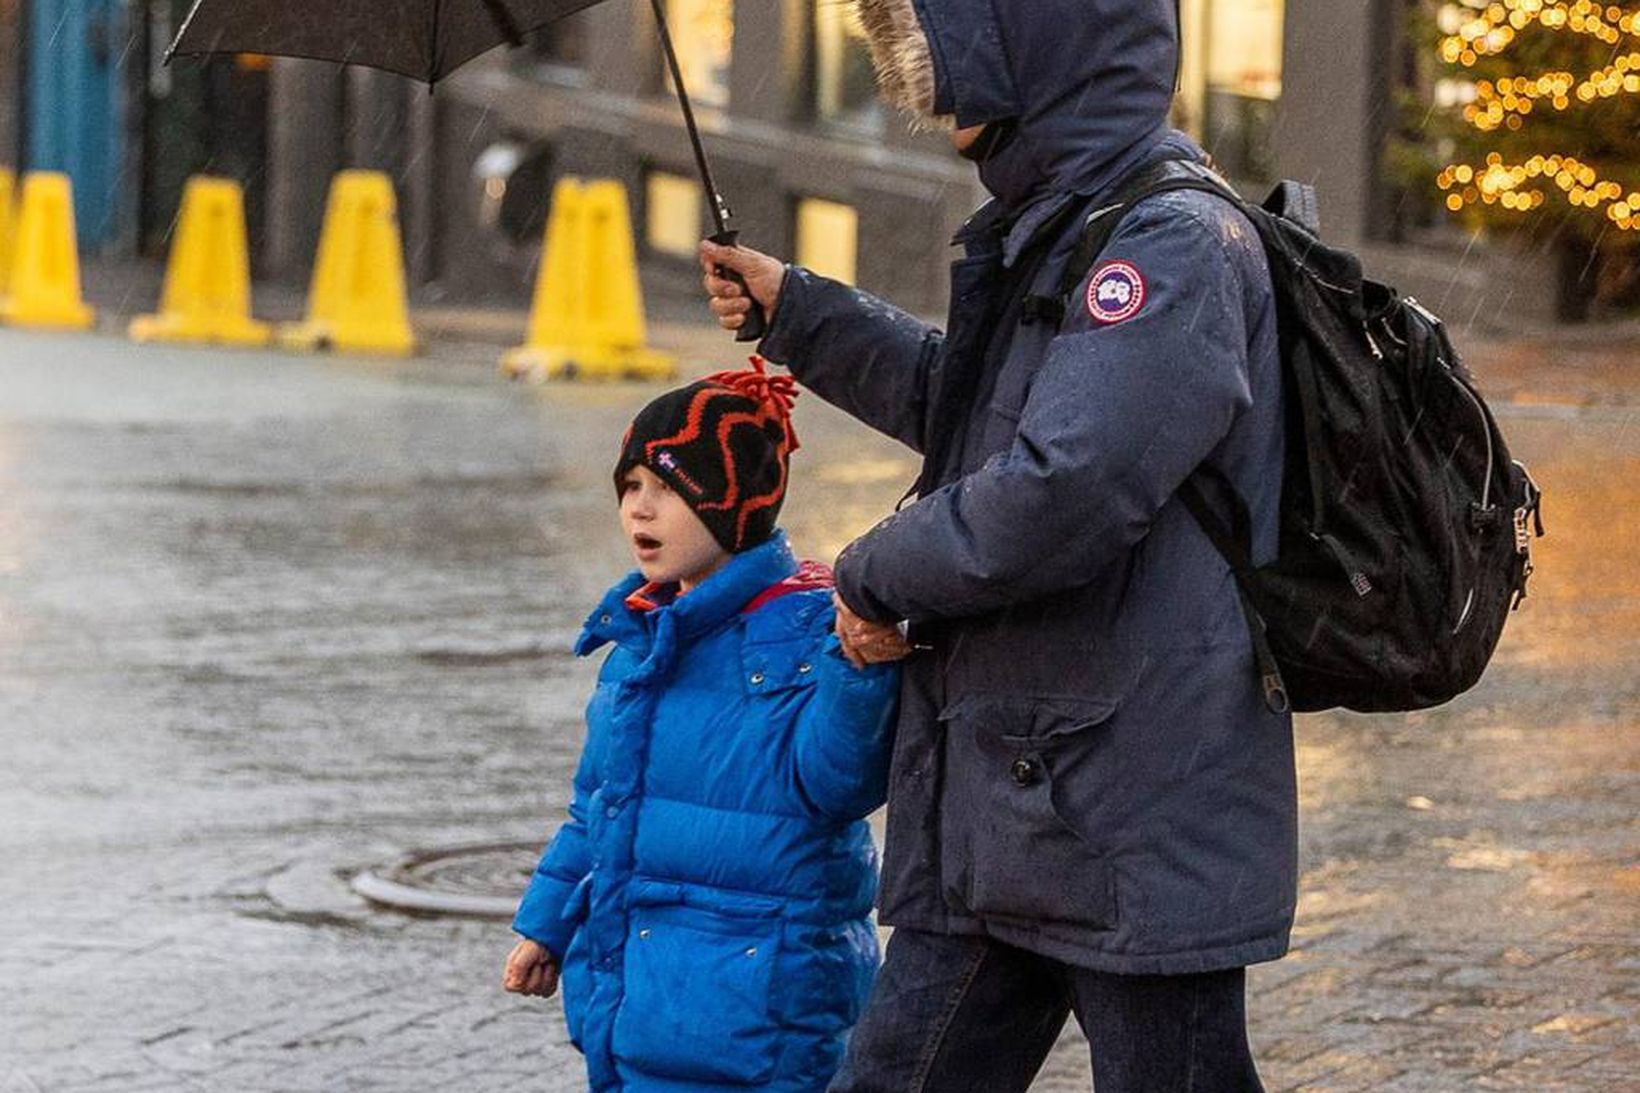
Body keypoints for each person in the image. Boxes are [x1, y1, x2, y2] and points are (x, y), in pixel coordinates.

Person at [699, 1, 1293, 1090]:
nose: (933, 85)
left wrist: (872, 568)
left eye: (947, 44)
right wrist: (804, 314)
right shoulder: (1064, 219)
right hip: (1013, 788)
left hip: (1126, 802)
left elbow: (1067, 490)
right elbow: (980, 414)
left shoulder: (1164, 237)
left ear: (1036, 42)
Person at [501, 360, 901, 1092]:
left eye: (667, 489)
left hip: (761, 1006)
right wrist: (548, 919)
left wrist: (858, 672)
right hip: (639, 994)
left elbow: (838, 784)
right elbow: (599, 804)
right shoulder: (640, 639)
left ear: (732, 503)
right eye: (630, 488)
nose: (638, 511)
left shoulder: (807, 626)